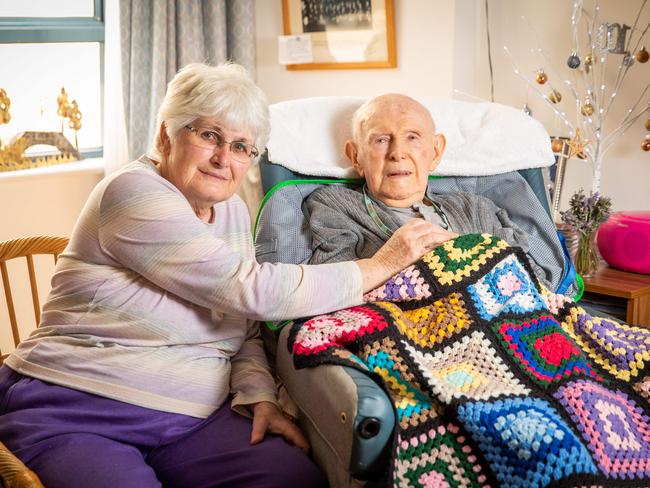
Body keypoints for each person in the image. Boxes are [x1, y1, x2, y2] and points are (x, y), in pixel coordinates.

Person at [0, 65, 445, 488]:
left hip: (189, 417)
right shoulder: (131, 191)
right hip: (82, 406)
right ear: (166, 135)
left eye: (240, 147)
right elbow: (246, 289)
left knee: (293, 479)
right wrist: (381, 265)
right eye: (209, 135)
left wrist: (257, 393)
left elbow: (241, 322)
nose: (222, 158)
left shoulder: (230, 209)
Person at [305, 93, 554, 288]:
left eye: (412, 137)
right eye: (381, 140)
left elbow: (537, 280)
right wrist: (391, 260)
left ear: (436, 152)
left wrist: (469, 250)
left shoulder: (474, 207)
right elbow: (330, 288)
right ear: (356, 156)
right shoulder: (334, 205)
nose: (397, 152)